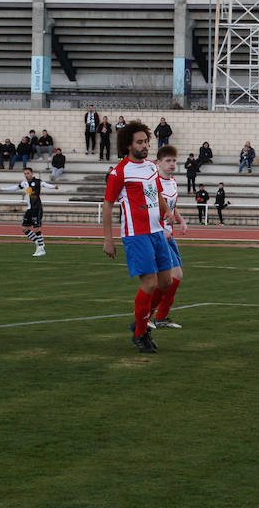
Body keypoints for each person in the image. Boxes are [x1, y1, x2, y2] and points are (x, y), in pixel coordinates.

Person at [102, 120, 181, 353]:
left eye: (146, 141)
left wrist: (166, 211)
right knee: (150, 282)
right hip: (136, 235)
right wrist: (108, 239)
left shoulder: (149, 167)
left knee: (166, 281)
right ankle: (140, 333)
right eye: (140, 142)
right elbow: (107, 206)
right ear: (128, 145)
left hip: (157, 232)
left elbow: (156, 194)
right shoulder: (119, 172)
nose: (145, 145)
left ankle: (141, 320)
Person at [151, 145, 188, 329]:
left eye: (174, 160)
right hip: (159, 235)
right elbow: (148, 210)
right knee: (175, 275)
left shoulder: (172, 182)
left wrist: (180, 220)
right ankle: (151, 316)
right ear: (158, 162)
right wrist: (160, 229)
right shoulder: (153, 183)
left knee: (171, 278)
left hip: (170, 236)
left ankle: (157, 317)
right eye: (168, 160)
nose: (172, 164)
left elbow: (171, 207)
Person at [0, 166, 59, 257]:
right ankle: (38, 243)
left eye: (28, 173)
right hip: (29, 208)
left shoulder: (38, 181)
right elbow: (16, 187)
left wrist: (54, 187)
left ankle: (41, 248)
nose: (26, 175)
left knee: (36, 228)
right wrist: (4, 189)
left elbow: (45, 185)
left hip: (37, 207)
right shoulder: (24, 183)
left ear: (32, 173)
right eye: (25, 174)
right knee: (24, 228)